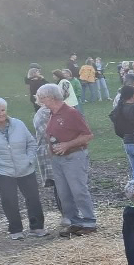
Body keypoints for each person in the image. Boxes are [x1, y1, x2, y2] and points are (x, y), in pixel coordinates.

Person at [0, 97, 47, 239]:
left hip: (25, 168)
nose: (1, 113)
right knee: (9, 200)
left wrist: (30, 159)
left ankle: (37, 227)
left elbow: (31, 143)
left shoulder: (18, 124)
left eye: (3, 110)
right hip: (1, 170)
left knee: (33, 198)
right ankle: (15, 229)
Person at [35, 83, 98, 237]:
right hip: (58, 158)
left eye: (42, 98)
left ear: (51, 97)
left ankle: (89, 221)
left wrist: (67, 144)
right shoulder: (51, 114)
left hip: (74, 156)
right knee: (64, 192)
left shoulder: (71, 113)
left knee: (78, 189)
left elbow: (88, 135)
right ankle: (74, 221)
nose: (40, 101)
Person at [31, 104, 62, 219]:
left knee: (66, 184)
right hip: (51, 152)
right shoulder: (42, 114)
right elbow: (49, 134)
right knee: (59, 184)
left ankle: (71, 213)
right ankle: (66, 215)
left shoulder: (61, 109)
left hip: (64, 150)